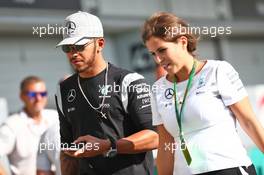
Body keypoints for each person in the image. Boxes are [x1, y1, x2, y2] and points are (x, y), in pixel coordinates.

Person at [141, 12, 264, 175]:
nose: (158, 59)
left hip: (228, 168)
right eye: (153, 54)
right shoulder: (157, 89)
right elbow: (166, 144)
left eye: (162, 50)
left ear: (182, 42)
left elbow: (248, 121)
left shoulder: (217, 70)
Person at [55, 11, 158, 175]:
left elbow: (155, 136)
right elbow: (67, 151)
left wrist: (109, 145)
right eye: (67, 48)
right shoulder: (63, 90)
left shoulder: (130, 81)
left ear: (100, 44)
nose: (73, 53)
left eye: (80, 46)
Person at [0, 76, 58, 175]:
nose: (38, 98)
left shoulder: (55, 117)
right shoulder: (12, 125)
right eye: (32, 94)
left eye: (43, 93)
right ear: (22, 96)